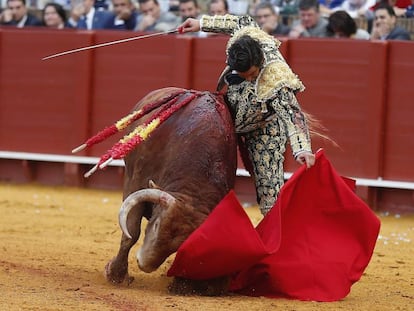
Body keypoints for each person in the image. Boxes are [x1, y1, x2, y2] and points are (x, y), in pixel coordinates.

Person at [177, 14, 315, 215]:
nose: (250, 79)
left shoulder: (277, 77)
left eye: (252, 74)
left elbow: (293, 115)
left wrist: (302, 149)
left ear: (260, 61)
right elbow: (236, 21)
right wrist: (200, 24)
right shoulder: (244, 33)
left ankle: (276, 238)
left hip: (265, 126)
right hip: (231, 114)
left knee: (269, 191)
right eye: (245, 76)